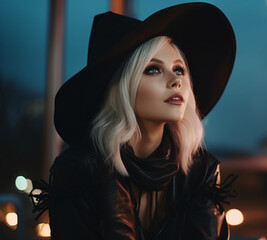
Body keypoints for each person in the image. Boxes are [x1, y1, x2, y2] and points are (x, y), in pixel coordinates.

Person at [30, 3, 237, 240]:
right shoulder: (79, 171)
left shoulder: (202, 171)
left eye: (179, 69)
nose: (176, 81)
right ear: (120, 88)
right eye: (153, 70)